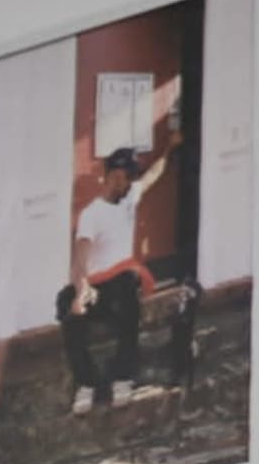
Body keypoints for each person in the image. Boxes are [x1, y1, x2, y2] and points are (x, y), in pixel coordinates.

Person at [59, 102, 183, 415]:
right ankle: (86, 384)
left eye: (128, 177)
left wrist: (170, 148)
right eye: (121, 176)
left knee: (129, 291)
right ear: (110, 176)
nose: (125, 182)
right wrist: (80, 289)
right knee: (65, 306)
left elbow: (153, 175)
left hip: (120, 281)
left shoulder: (129, 198)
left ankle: (122, 378)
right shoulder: (92, 214)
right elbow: (81, 252)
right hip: (94, 284)